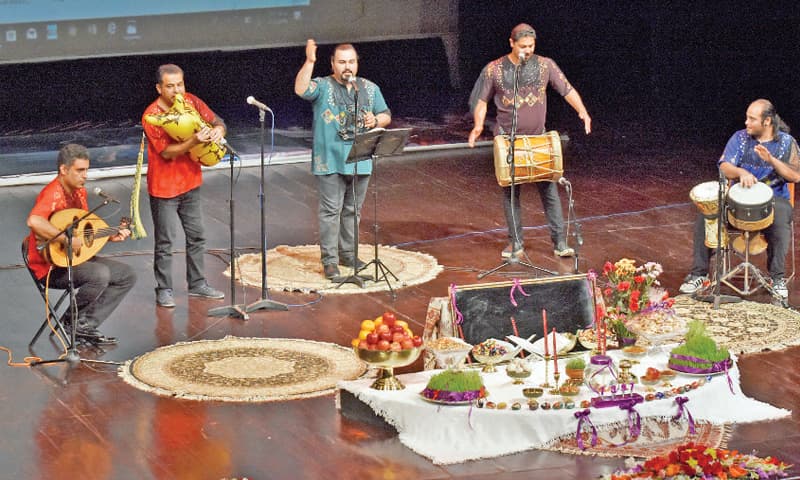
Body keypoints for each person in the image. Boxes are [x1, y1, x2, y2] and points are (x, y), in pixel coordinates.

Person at [468, 23, 592, 259]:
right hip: (508, 140)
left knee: (549, 189)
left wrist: (583, 112)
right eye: (522, 46)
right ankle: (516, 244)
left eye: (531, 46)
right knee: (511, 193)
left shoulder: (546, 65)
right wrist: (478, 126)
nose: (527, 50)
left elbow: (567, 89)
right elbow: (482, 101)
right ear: (511, 43)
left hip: (538, 139)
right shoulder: (494, 69)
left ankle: (560, 244)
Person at [680, 99, 800, 299]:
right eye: (747, 118)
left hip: (773, 201)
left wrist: (771, 160)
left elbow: (795, 176)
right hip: (736, 202)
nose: (746, 122)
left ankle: (777, 278)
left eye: (752, 119)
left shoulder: (787, 143)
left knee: (782, 216)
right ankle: (698, 275)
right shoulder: (740, 138)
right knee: (706, 215)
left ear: (767, 121)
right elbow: (724, 166)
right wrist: (741, 171)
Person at [294, 40, 392, 279]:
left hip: (360, 158)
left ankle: (348, 254)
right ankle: (330, 260)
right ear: (333, 64)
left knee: (353, 210)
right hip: (331, 158)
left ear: (357, 63)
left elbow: (386, 114)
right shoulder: (323, 86)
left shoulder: (368, 88)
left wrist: (375, 121)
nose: (347, 67)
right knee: (331, 211)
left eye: (351, 61)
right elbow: (301, 89)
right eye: (342, 62)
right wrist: (309, 61)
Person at [26, 144, 136, 345]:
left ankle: (84, 324)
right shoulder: (53, 193)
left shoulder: (80, 192)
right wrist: (66, 240)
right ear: (64, 170)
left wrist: (110, 235)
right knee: (100, 274)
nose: (85, 176)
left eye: (86, 170)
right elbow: (34, 221)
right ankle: (70, 323)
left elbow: (85, 230)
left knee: (126, 275)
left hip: (73, 259)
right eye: (80, 170)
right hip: (50, 267)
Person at [142, 64, 226, 307]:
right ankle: (164, 289)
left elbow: (217, 120)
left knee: (197, 236)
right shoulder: (152, 116)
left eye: (180, 84)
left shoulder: (191, 101)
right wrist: (193, 140)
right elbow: (167, 153)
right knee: (166, 241)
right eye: (170, 86)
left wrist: (218, 131)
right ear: (159, 88)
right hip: (164, 187)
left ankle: (198, 284)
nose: (176, 90)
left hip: (190, 182)